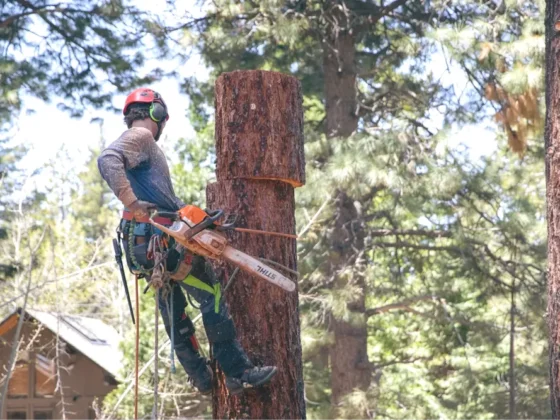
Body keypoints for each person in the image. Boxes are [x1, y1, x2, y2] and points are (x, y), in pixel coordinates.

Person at [97, 87, 277, 395]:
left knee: (172, 304)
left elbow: (161, 198)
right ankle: (237, 372)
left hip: (145, 246)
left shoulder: (143, 149)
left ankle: (200, 376)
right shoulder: (142, 139)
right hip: (162, 241)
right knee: (212, 295)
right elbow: (107, 159)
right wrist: (132, 200)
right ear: (156, 114)